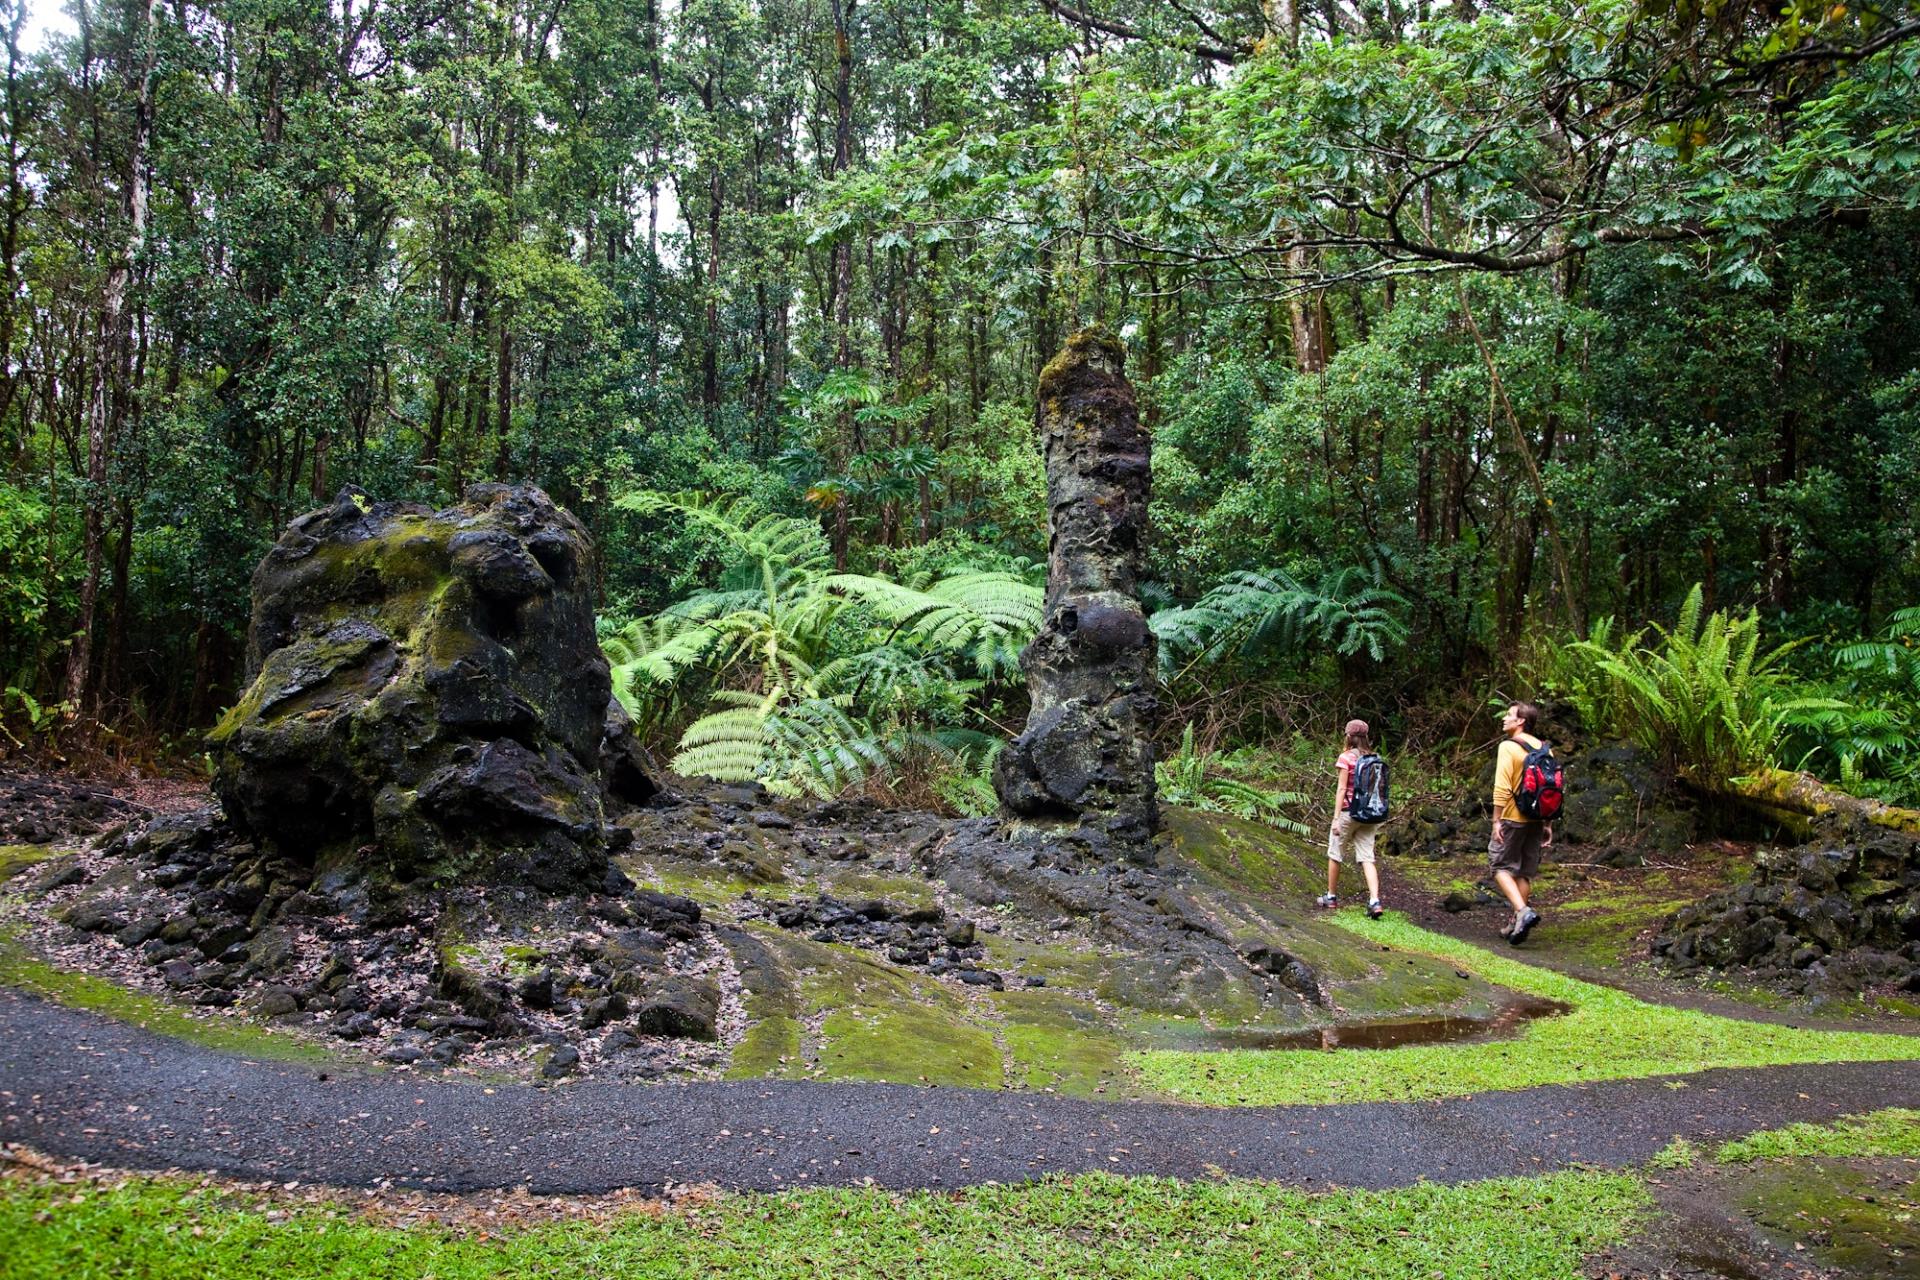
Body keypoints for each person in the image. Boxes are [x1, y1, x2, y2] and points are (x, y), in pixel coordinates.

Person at [1490, 700, 1551, 944]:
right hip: (1536, 819)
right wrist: (1548, 824)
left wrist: (1496, 819)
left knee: (1500, 866)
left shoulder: (1509, 747)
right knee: (1523, 873)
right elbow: (1549, 789)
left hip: (1513, 816)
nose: (1504, 718)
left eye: (1509, 715)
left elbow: (1502, 785)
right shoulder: (1544, 748)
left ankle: (1523, 912)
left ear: (1521, 721)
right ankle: (1517, 925)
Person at [1316, 718, 1384, 919]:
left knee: (1335, 853)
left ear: (1348, 735)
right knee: (1367, 857)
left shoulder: (1346, 758)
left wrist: (1336, 818)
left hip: (1348, 812)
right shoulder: (1375, 757)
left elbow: (1342, 789)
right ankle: (1374, 901)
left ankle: (1331, 896)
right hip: (1370, 814)